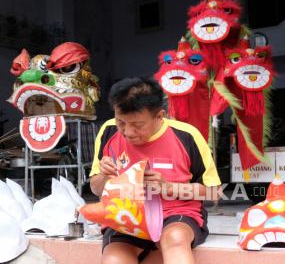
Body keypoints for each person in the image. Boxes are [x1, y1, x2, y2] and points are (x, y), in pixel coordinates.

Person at [89, 78, 221, 264]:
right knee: (115, 259)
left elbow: (214, 192)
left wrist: (168, 187)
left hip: (176, 214)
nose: (128, 132)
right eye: (121, 122)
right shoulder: (108, 131)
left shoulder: (186, 135)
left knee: (175, 238)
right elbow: (96, 189)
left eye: (138, 125)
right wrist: (104, 176)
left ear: (160, 116)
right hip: (126, 217)